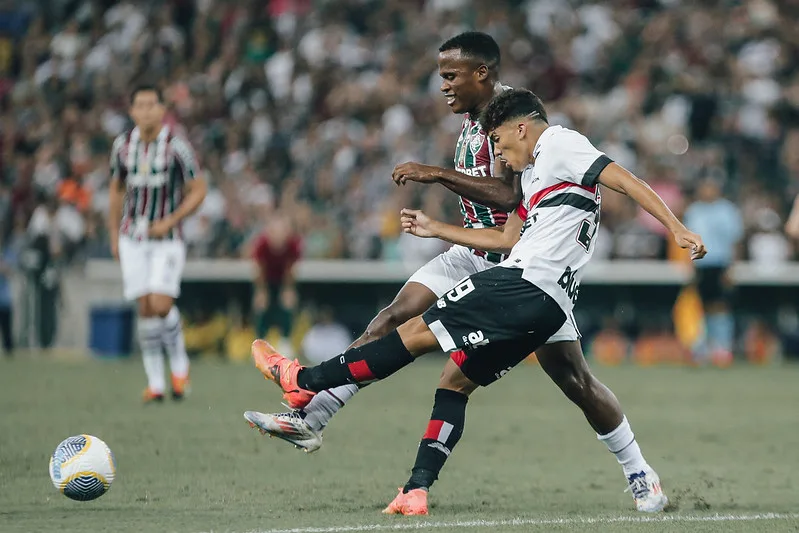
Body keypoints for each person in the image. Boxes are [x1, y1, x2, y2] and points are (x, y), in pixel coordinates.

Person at [248, 89, 707, 514]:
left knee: (413, 332)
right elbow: (507, 237)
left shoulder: (560, 144)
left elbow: (625, 180)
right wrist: (436, 229)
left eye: (500, 141)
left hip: (522, 284)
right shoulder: (534, 176)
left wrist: (677, 227)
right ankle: (416, 490)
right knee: (460, 381)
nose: (499, 155)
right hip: (548, 301)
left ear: (522, 127)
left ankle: (304, 379)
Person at [108, 84, 207, 403]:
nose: (147, 110)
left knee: (161, 304)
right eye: (141, 104)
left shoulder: (176, 146)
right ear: (132, 111)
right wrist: (113, 234)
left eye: (153, 104)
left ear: (162, 110)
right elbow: (115, 190)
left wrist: (172, 219)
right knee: (146, 308)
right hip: (132, 237)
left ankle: (179, 364)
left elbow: (198, 189)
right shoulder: (122, 146)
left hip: (166, 238)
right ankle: (156, 383)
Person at [683, 177, 743, 365]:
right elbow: (686, 241)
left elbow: (735, 241)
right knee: (701, 306)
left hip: (720, 263)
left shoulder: (727, 210)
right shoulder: (694, 211)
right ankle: (703, 348)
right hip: (701, 264)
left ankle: (722, 347)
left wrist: (732, 267)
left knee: (720, 306)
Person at [251, 212, 301, 357]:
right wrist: (261, 291)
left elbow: (290, 270)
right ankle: (261, 341)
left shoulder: (293, 244)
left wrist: (288, 289)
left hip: (283, 281)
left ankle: (285, 340)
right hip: (266, 280)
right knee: (261, 304)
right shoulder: (262, 244)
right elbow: (259, 270)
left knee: (288, 302)